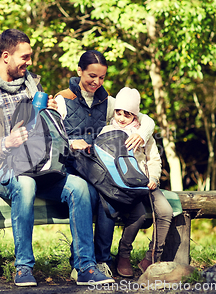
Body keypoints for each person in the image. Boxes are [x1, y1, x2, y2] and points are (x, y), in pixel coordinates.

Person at [0, 29, 114, 287]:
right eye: (25, 57)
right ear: (5, 56)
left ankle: (86, 266)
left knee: (80, 187)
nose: (30, 62)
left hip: (41, 164)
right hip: (4, 169)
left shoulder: (34, 83)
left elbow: (44, 128)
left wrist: (50, 113)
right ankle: (23, 267)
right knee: (25, 184)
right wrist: (5, 142)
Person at [54, 50, 156, 278]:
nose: (96, 82)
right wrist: (71, 142)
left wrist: (144, 133)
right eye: (92, 76)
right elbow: (51, 135)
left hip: (100, 168)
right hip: (72, 167)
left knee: (107, 200)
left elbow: (144, 117)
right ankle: (80, 261)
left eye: (101, 77)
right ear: (79, 71)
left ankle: (101, 259)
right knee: (88, 196)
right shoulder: (62, 99)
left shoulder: (107, 101)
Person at [98, 87, 173, 276]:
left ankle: (152, 256)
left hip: (146, 182)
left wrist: (154, 178)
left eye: (128, 114)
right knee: (138, 213)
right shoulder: (108, 130)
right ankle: (123, 255)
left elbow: (154, 159)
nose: (122, 117)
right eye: (119, 112)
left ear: (135, 114)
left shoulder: (143, 134)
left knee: (165, 211)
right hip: (124, 185)